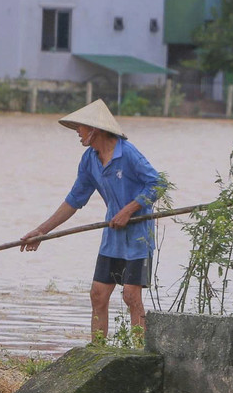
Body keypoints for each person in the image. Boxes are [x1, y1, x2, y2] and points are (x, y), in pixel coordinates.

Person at [20, 99, 162, 339]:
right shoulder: (89, 160)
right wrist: (41, 231)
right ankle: (98, 351)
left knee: (130, 294)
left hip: (138, 236)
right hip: (112, 236)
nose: (77, 132)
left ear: (95, 129)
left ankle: (141, 353)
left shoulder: (127, 153)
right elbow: (74, 200)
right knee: (98, 293)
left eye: (81, 127)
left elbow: (158, 184)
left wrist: (128, 210)